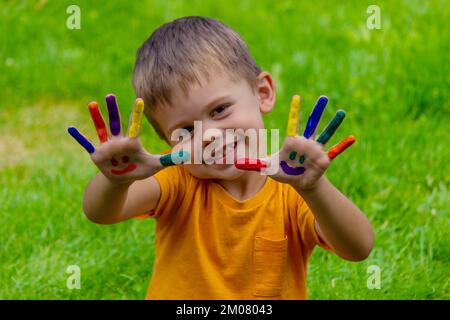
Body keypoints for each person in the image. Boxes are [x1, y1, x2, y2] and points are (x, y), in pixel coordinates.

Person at [68, 16, 374, 299]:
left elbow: (358, 247)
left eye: (219, 110)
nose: (209, 135)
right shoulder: (177, 180)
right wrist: (116, 182)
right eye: (186, 129)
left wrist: (314, 189)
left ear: (263, 93)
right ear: (168, 142)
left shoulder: (291, 186)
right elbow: (100, 212)